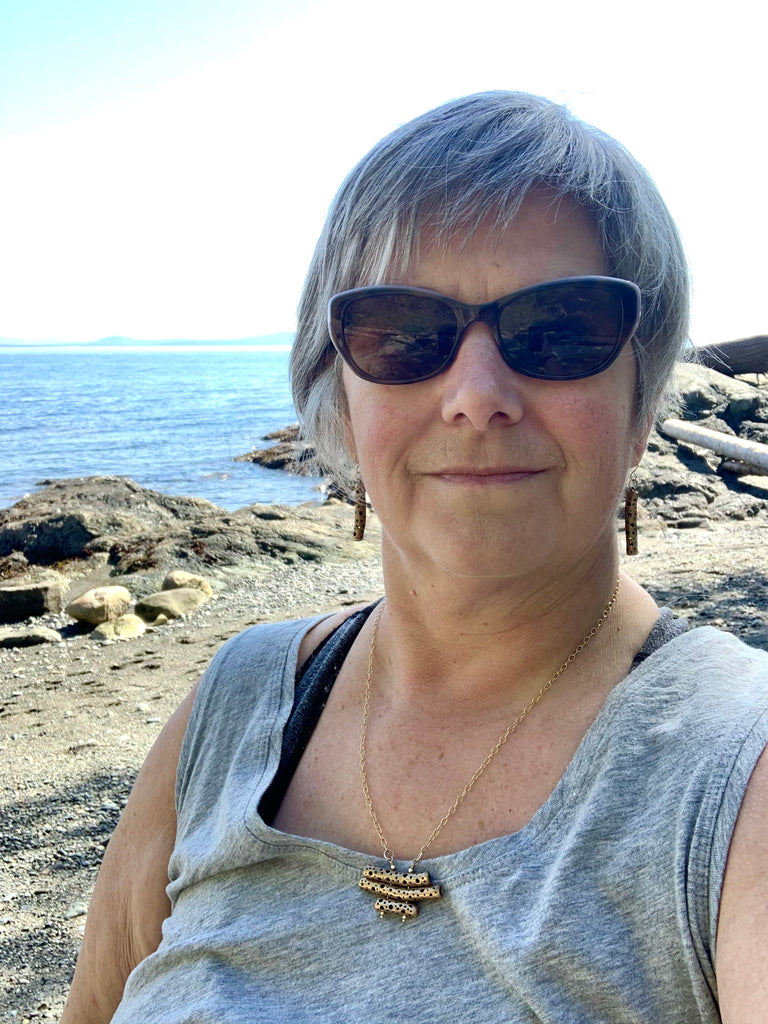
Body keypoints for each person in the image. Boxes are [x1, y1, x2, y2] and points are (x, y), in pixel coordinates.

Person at [62, 92, 768, 1024]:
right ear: (337, 394)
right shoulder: (237, 702)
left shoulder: (737, 764)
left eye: (559, 330)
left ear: (642, 400)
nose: (477, 395)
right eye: (402, 333)